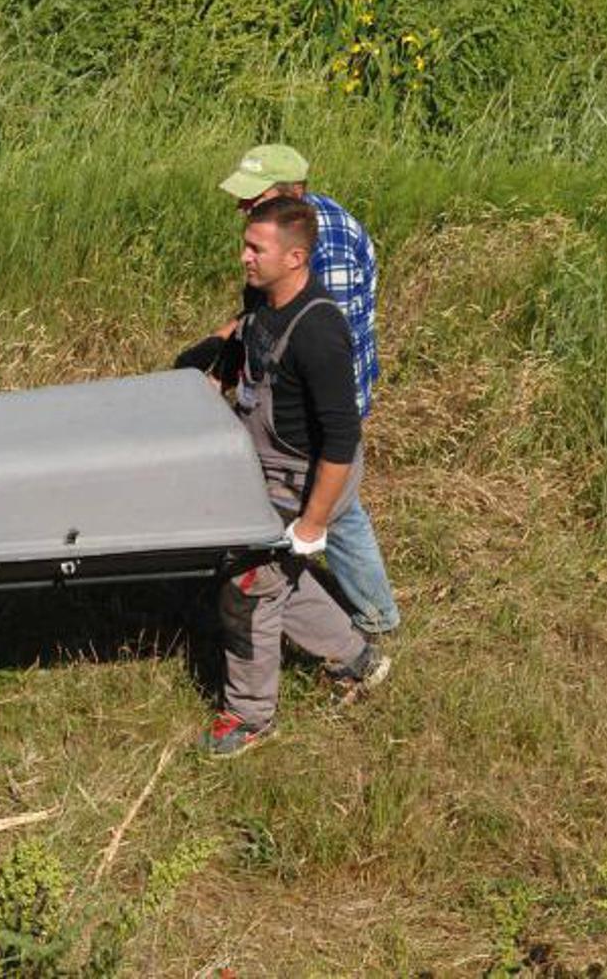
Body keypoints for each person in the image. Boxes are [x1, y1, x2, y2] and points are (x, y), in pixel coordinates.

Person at [176, 197, 391, 755]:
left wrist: (313, 524)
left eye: (256, 249)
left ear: (295, 258)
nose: (243, 256)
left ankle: (250, 716)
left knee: (248, 585)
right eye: (245, 245)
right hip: (264, 463)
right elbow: (244, 346)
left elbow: (340, 438)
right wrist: (206, 375)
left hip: (308, 476)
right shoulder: (263, 298)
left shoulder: (319, 331)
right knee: (273, 575)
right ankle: (356, 658)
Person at [218, 143, 401, 636]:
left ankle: (376, 617)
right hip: (291, 394)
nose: (243, 207)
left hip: (325, 399)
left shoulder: (330, 247)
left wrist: (314, 518)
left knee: (336, 505)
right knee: (333, 504)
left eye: (254, 197)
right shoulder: (276, 235)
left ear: (294, 193)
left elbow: (323, 342)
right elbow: (266, 313)